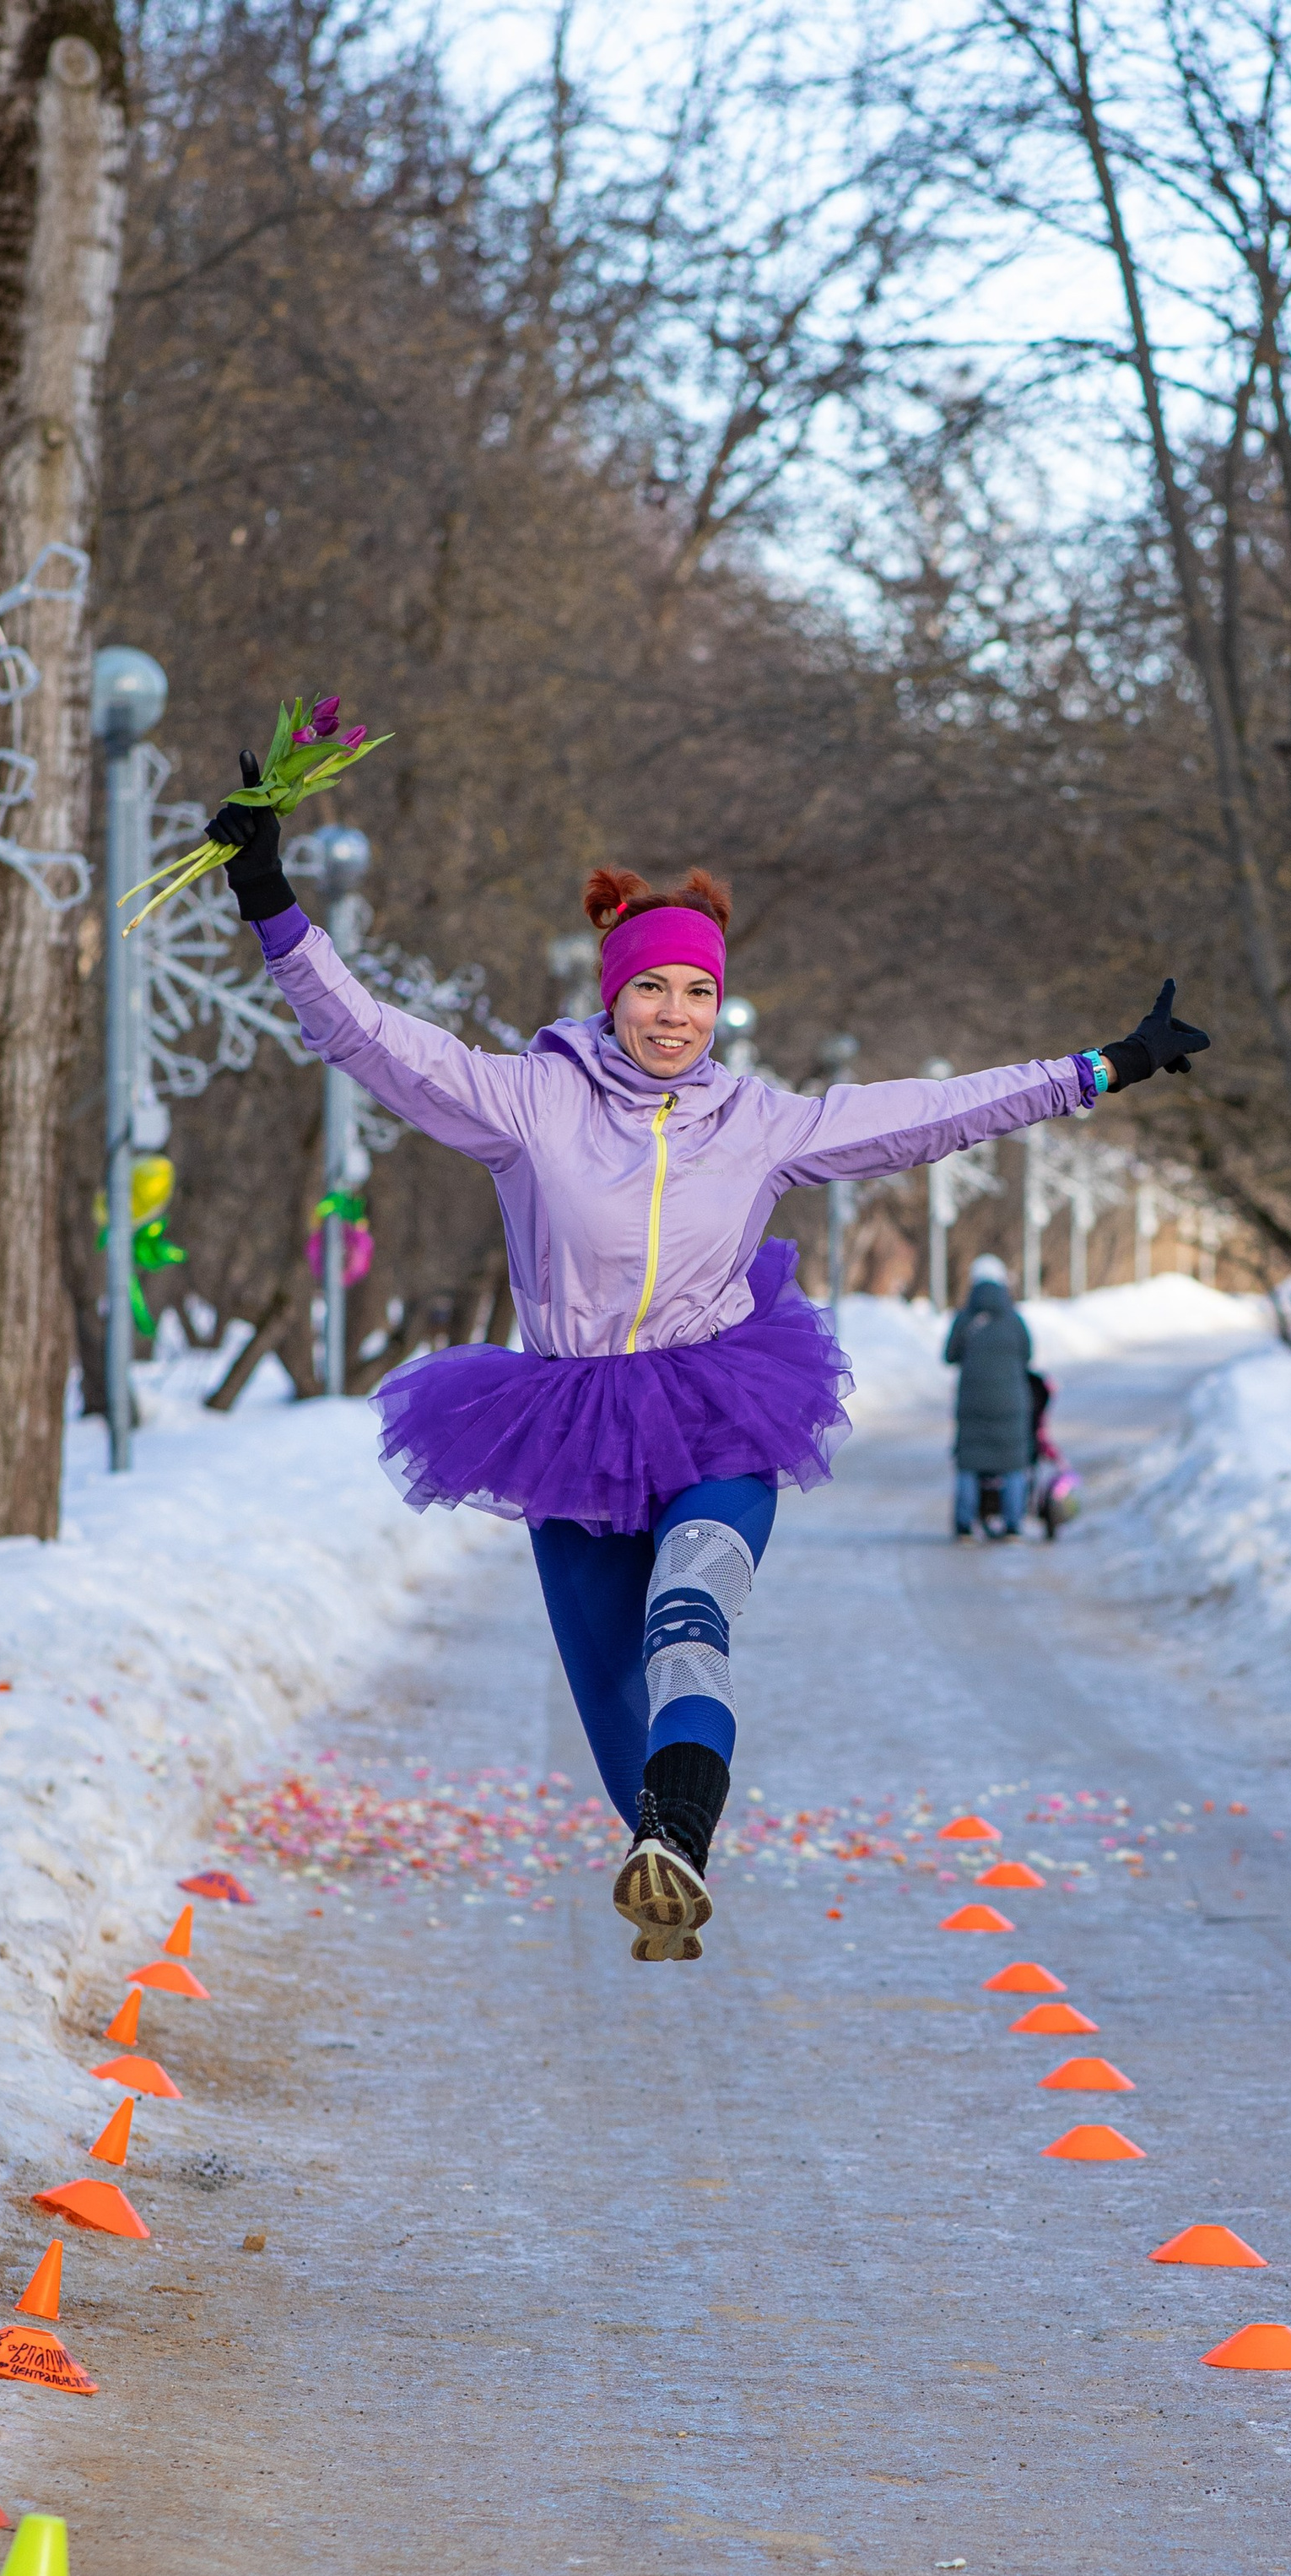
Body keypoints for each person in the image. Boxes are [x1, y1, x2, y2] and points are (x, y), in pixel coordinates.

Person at [204, 777, 1208, 1962]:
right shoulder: (525, 1104)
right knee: (608, 1700)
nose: (674, 1015)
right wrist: (271, 900)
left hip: (720, 1406)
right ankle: (657, 1848)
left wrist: (1102, 1068)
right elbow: (369, 1035)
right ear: (612, 994)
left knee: (692, 1615)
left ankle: (685, 1833)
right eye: (652, 989)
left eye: (697, 993)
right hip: (565, 1422)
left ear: (718, 1006)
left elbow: (935, 1113)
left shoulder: (761, 1122)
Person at [944, 1258, 1034, 1538]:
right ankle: (1013, 1526)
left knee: (969, 1462)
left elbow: (949, 1356)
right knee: (1013, 1464)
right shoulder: (1015, 1321)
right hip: (1011, 1404)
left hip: (972, 1404)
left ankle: (964, 1527)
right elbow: (1028, 1356)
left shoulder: (965, 1320)